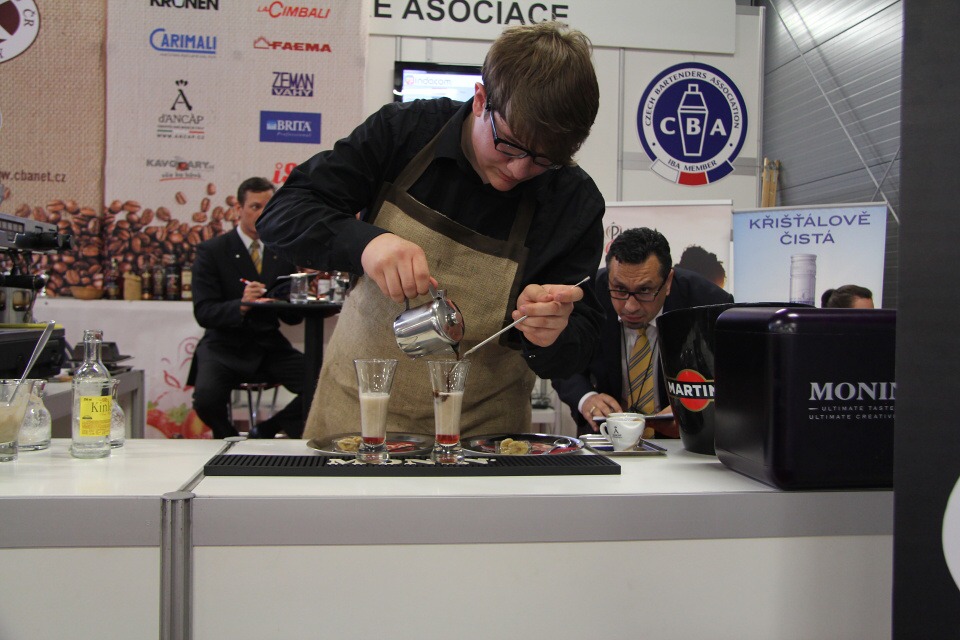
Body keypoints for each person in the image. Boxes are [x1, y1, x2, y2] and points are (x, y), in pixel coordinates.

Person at [257, 22, 605, 441]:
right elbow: (282, 214)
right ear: (481, 99)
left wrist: (553, 333)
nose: (518, 169)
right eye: (510, 144)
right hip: (355, 419)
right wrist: (366, 243)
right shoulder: (404, 132)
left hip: (483, 440)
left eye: (544, 160)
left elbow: (580, 345)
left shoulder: (573, 202)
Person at [552, 228, 734, 436]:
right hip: (606, 437)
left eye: (645, 290)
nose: (630, 306)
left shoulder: (709, 304)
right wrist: (586, 398)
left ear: (668, 282)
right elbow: (560, 360)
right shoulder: (586, 296)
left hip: (684, 441)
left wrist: (696, 410)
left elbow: (734, 379)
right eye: (619, 289)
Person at [189, 177, 306, 439]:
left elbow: (294, 317)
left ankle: (265, 431)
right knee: (206, 399)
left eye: (268, 206)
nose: (262, 214)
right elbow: (204, 312)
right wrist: (242, 305)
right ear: (238, 209)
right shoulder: (212, 251)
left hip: (268, 345)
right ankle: (228, 437)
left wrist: (296, 293)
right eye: (255, 207)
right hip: (223, 346)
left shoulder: (283, 251)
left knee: (322, 382)